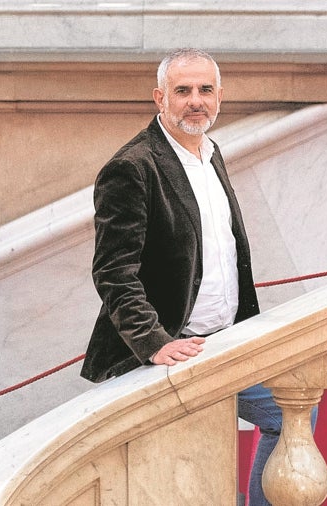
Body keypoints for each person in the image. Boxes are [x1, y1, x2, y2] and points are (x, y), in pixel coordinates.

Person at [81, 48, 283, 506]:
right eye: (183, 91)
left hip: (228, 339)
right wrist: (155, 343)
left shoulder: (211, 153)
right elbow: (114, 272)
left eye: (205, 90)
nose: (196, 101)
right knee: (200, 478)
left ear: (220, 97)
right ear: (160, 98)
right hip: (175, 348)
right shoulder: (131, 167)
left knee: (292, 410)